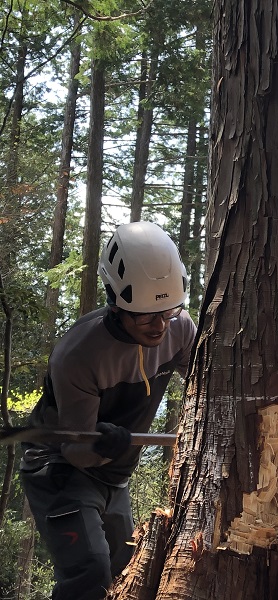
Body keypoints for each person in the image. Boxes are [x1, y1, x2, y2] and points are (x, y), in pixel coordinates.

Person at [20, 222, 197, 600]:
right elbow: (77, 449)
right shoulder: (80, 354)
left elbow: (207, 382)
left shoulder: (180, 330)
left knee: (126, 572)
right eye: (146, 315)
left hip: (115, 474)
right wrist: (101, 443)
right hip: (60, 468)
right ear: (116, 303)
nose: (160, 326)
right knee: (91, 572)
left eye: (169, 311)